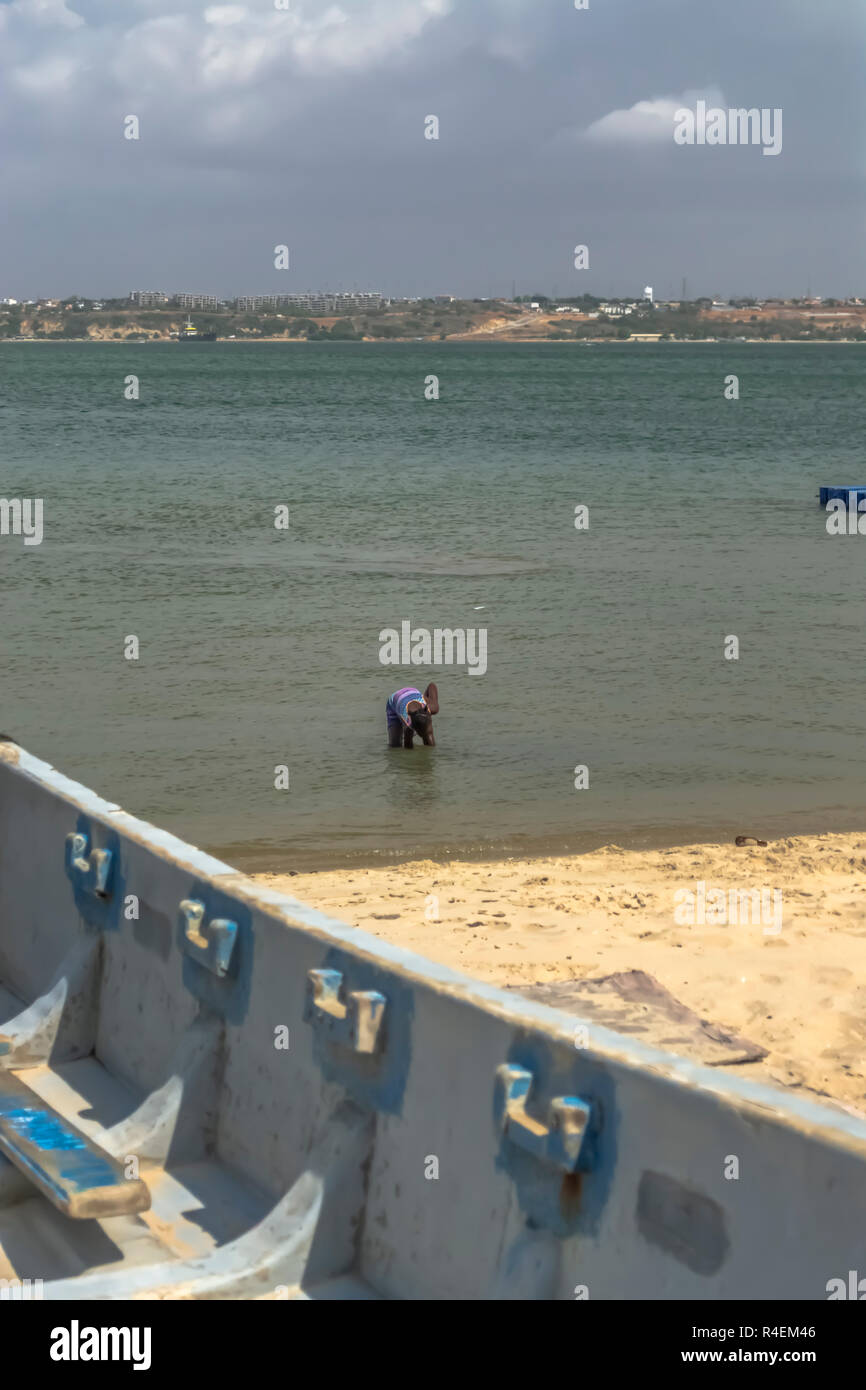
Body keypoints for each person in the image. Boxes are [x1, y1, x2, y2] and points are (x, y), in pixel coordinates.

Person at [386, 683, 439, 748]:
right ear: (414, 729)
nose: (424, 735)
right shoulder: (408, 726)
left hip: (412, 692)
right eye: (421, 733)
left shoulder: (433, 708)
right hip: (394, 701)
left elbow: (432, 685)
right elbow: (408, 749)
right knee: (395, 745)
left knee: (429, 735)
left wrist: (424, 697)